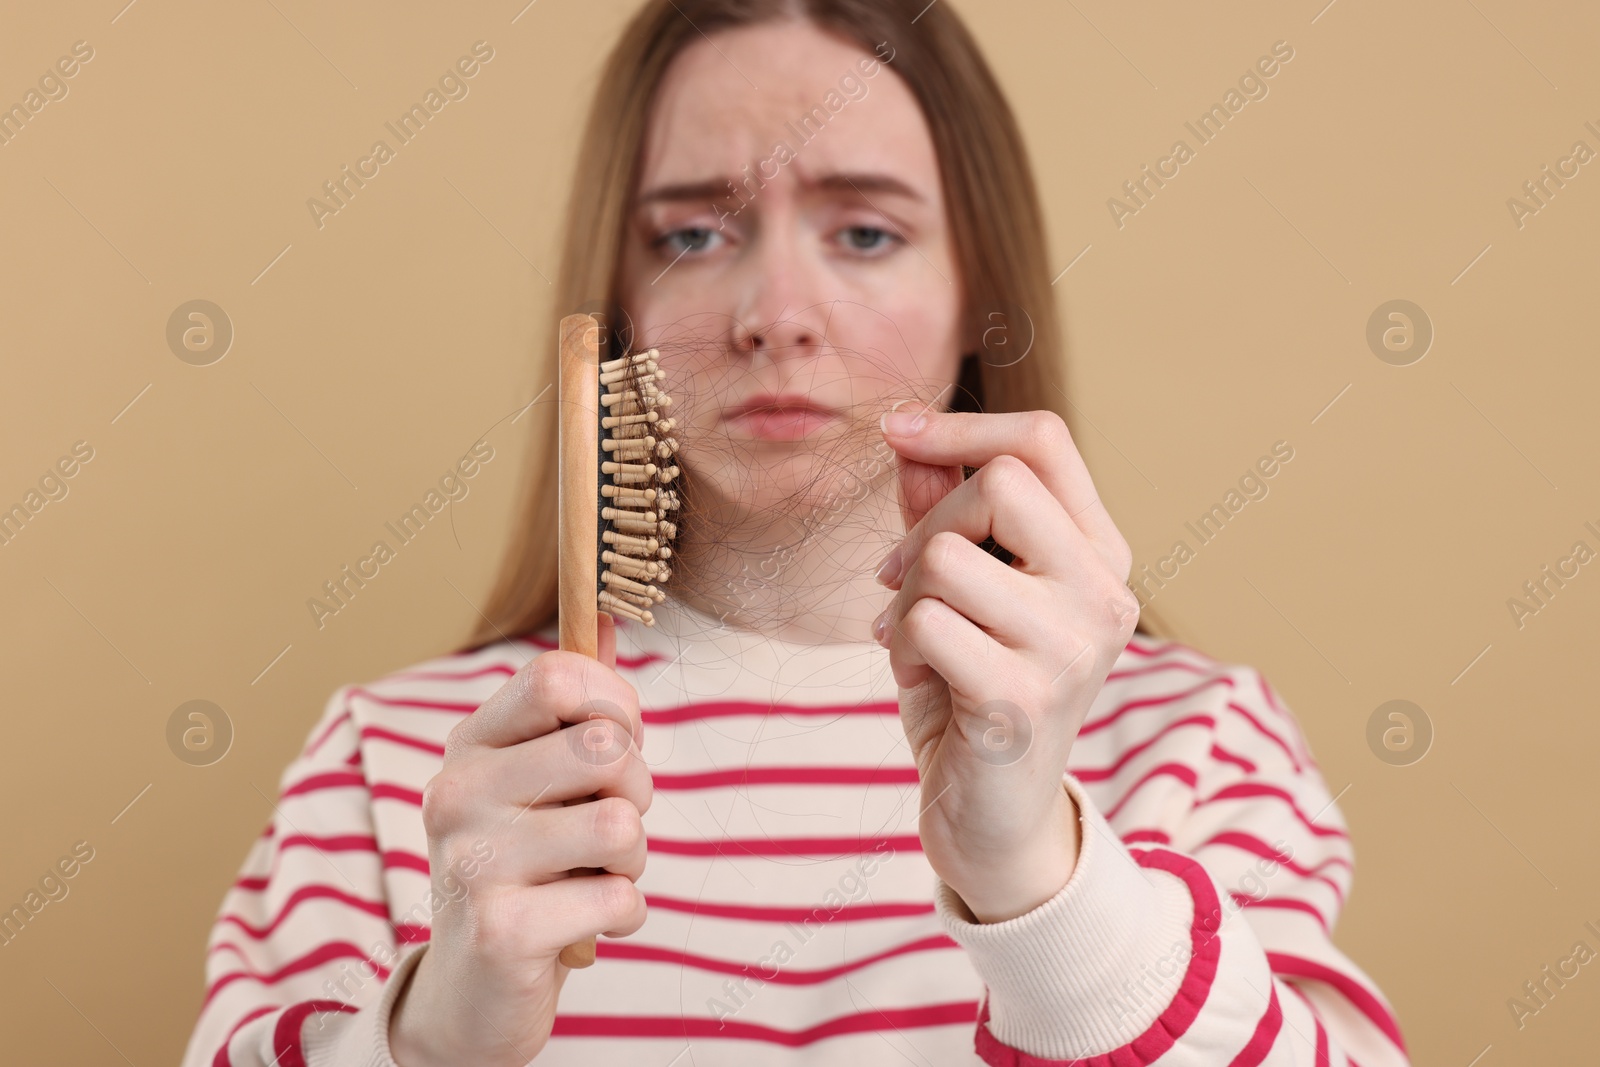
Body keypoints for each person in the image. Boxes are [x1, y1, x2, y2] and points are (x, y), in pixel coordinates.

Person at [182, 2, 1411, 1064]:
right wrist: (433, 1033)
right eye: (691, 234)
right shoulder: (398, 765)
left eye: (864, 231)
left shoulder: (1189, 742)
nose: (774, 312)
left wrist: (1044, 876)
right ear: (619, 307)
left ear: (973, 298)